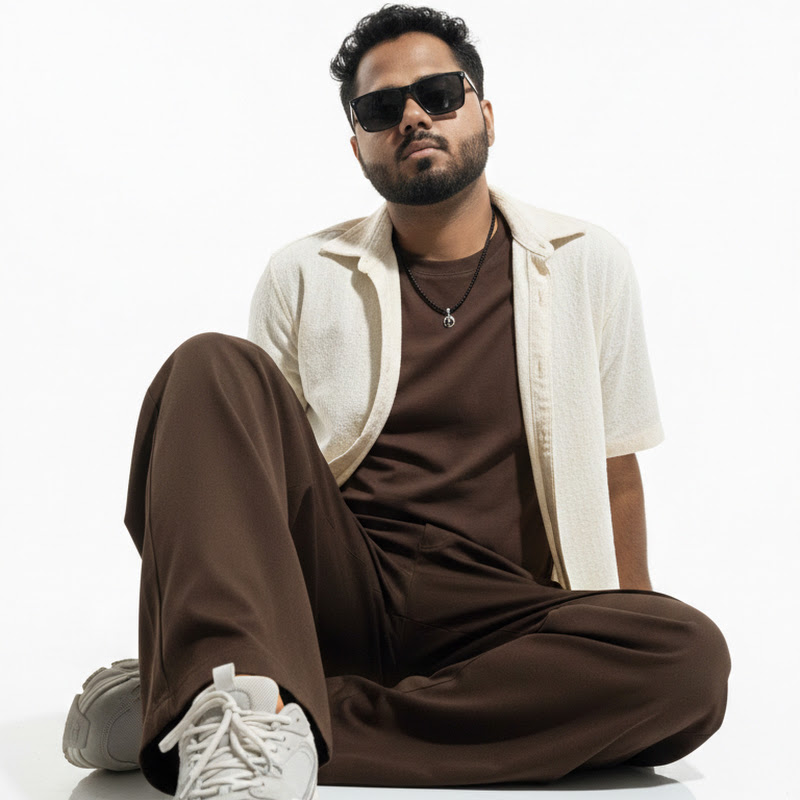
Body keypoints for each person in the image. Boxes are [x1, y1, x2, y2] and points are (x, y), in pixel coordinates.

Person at [62, 5, 730, 799]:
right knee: (209, 365)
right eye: (381, 108)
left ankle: (224, 701)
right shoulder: (303, 273)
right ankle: (237, 689)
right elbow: (243, 483)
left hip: (502, 613)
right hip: (342, 584)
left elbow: (616, 470)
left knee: (687, 659)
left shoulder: (586, 262)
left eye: (439, 95)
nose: (413, 116)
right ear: (358, 146)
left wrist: (623, 627)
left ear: (485, 114)